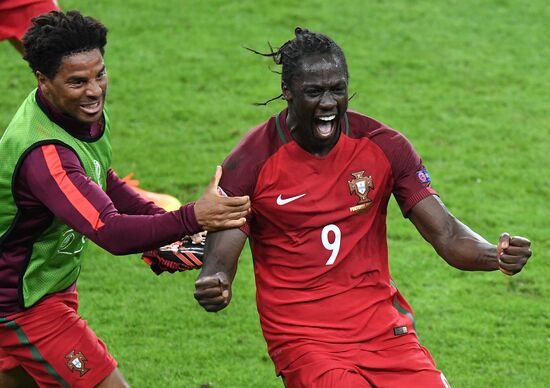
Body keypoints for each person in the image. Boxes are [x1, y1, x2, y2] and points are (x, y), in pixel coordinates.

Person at [193, 27, 532, 387]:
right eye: (314, 92)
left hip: (384, 332)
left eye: (337, 89)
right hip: (305, 340)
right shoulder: (251, 162)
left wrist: (494, 255)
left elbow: (446, 234)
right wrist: (217, 283)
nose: (328, 103)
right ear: (287, 91)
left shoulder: (383, 147)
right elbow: (219, 263)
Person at [0, 10, 250, 387]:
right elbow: (110, 232)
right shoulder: (45, 155)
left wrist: (160, 225)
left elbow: (100, 177)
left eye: (100, 74)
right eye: (78, 81)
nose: (95, 90)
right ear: (43, 80)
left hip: (36, 290)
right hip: (23, 308)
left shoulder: (75, 112)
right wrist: (193, 217)